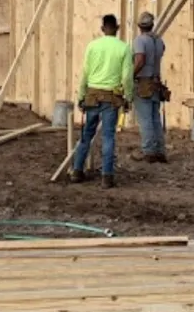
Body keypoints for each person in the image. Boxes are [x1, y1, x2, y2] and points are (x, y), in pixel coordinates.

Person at [71, 13, 134, 189]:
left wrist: (81, 96)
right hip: (111, 98)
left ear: (102, 29)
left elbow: (84, 74)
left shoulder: (92, 46)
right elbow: (127, 77)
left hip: (91, 95)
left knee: (86, 135)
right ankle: (107, 176)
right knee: (108, 137)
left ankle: (77, 170)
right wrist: (128, 97)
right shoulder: (124, 48)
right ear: (117, 28)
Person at [132, 11, 167, 164]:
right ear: (152, 25)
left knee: (145, 119)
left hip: (143, 82)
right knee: (155, 118)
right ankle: (159, 150)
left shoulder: (140, 41)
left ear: (139, 26)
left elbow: (140, 59)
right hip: (156, 83)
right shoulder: (159, 41)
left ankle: (149, 151)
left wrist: (131, 75)